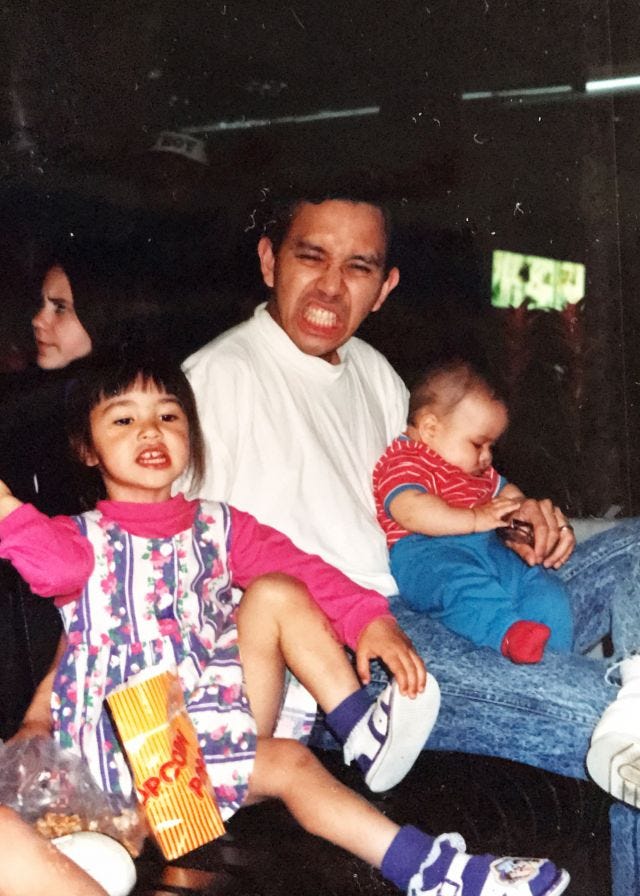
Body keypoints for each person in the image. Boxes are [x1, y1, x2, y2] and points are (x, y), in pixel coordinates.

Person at [182, 188, 640, 894]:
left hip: (449, 588)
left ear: (385, 287)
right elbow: (178, 561)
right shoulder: (215, 382)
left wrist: (524, 518)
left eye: (359, 267)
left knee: (632, 547)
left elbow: (441, 477)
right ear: (270, 260)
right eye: (312, 256)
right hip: (350, 658)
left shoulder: (374, 374)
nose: (332, 286)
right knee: (617, 724)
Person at [0, 356, 569, 896]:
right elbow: (51, 565)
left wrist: (369, 620)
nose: (151, 431)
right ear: (87, 448)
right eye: (124, 418)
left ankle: (359, 727)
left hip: (212, 715)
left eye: (168, 415)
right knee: (295, 766)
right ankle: (437, 872)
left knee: (278, 589)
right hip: (143, 762)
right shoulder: (81, 541)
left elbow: (305, 569)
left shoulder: (220, 524)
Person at [0, 248, 159, 740]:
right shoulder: (31, 398)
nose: (39, 320)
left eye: (60, 308)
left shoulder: (123, 414)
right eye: (44, 305)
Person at [373, 359, 573, 663]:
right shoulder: (407, 459)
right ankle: (507, 633)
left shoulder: (475, 470)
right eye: (478, 444)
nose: (486, 457)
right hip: (426, 553)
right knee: (464, 588)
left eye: (492, 446)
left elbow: (509, 495)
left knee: (543, 587)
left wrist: (522, 512)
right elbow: (409, 509)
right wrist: (477, 518)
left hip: (487, 548)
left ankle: (559, 660)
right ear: (429, 428)